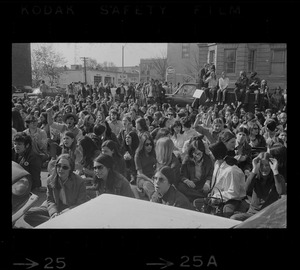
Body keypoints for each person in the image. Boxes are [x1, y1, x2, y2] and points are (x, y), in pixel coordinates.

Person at [23, 153, 88, 227]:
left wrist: (67, 211)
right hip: (56, 207)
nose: (60, 169)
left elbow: (81, 203)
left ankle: (55, 224)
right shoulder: (50, 179)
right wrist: (54, 213)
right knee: (28, 214)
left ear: (71, 169)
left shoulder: (79, 181)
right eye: (58, 166)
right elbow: (50, 200)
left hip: (71, 209)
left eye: (65, 167)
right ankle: (57, 224)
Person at [230, 152, 286, 221]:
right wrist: (254, 170)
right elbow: (246, 190)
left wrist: (275, 170)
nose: (264, 168)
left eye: (267, 165)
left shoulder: (277, 177)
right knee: (234, 218)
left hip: (269, 215)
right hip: (253, 214)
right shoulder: (255, 176)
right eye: (261, 165)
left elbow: (281, 192)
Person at [206, 141, 249, 218]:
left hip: (233, 200)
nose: (209, 153)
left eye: (211, 152)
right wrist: (212, 194)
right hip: (218, 197)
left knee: (227, 211)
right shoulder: (217, 164)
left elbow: (234, 193)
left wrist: (216, 196)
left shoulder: (231, 170)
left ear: (217, 153)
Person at [178, 135, 214, 202]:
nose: (197, 156)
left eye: (199, 154)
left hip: (202, 185)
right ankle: (199, 197)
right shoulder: (187, 159)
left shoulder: (207, 160)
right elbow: (182, 175)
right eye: (194, 154)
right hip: (191, 186)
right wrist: (186, 181)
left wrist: (207, 182)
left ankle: (196, 197)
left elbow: (210, 174)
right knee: (180, 186)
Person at [135, 134, 157, 200]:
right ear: (142, 145)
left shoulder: (152, 153)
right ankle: (155, 199)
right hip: (142, 179)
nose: (149, 146)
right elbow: (140, 174)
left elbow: (156, 167)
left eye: (151, 144)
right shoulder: (138, 155)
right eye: (147, 144)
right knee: (147, 185)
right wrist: (150, 180)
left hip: (152, 176)